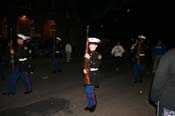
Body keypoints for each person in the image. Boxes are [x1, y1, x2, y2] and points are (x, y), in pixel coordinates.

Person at [150, 48, 175, 116]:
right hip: (157, 56)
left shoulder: (170, 55)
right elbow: (153, 51)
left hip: (169, 103)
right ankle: (154, 69)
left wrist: (154, 98)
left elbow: (159, 80)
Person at [83, 37, 102, 113]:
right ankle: (89, 105)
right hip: (88, 74)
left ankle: (93, 104)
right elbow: (85, 64)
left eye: (93, 45)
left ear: (96, 46)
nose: (91, 46)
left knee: (89, 91)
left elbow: (96, 64)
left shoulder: (98, 55)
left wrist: (89, 58)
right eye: (90, 44)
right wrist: (84, 69)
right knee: (87, 91)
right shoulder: (88, 53)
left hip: (94, 75)